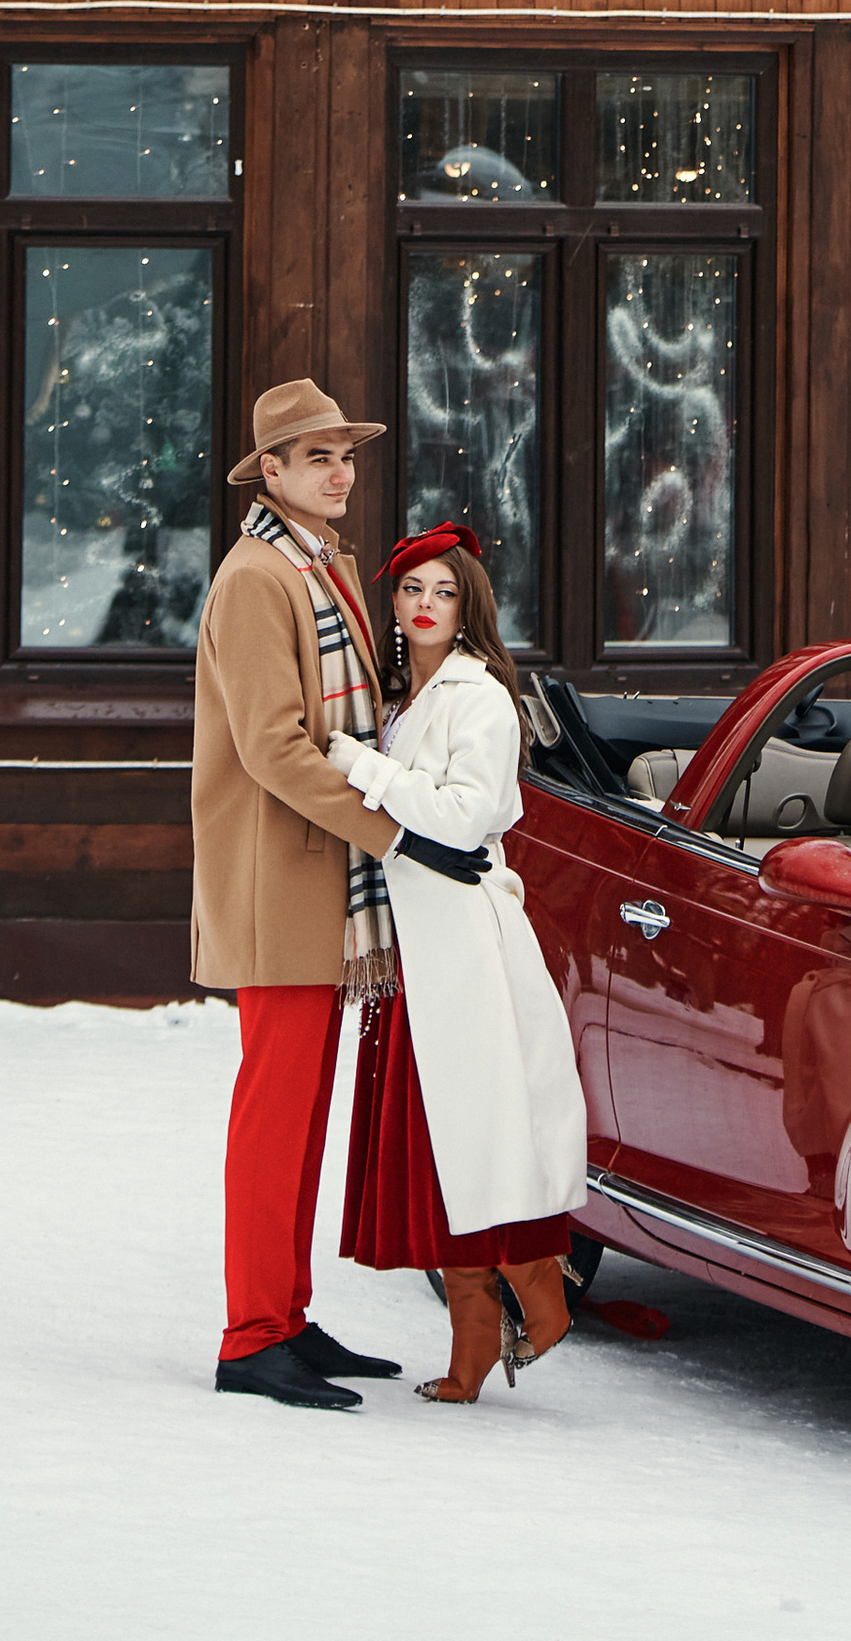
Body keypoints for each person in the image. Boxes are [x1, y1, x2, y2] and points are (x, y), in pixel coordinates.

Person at [191, 377, 415, 1413]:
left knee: (305, 1116)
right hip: (278, 883)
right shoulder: (256, 579)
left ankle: (285, 1316)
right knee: (274, 1119)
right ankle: (251, 1338)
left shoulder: (319, 566)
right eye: (315, 457)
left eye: (345, 455)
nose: (339, 473)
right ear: (269, 471)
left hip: (321, 883)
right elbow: (274, 749)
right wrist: (396, 832)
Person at [331, 523, 592, 1402]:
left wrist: (363, 769)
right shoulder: (401, 696)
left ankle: (536, 1292)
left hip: (463, 945)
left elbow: (464, 815)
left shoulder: (477, 695)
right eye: (412, 590)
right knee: (437, 1146)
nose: (425, 605)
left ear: (467, 606)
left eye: (444, 592)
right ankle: (476, 1337)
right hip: (415, 945)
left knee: (475, 1136)